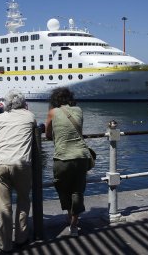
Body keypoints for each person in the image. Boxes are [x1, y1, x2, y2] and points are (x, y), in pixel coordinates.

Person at [0, 90, 36, 253]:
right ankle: (21, 238)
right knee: (23, 202)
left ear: (6, 104)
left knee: (3, 207)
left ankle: (4, 244)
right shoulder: (30, 116)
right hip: (22, 165)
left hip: (1, 165)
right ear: (23, 103)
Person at [45, 87, 91, 237]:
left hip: (62, 158)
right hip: (81, 157)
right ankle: (74, 225)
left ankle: (70, 214)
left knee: (62, 187)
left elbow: (48, 134)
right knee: (77, 190)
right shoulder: (79, 110)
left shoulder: (53, 112)